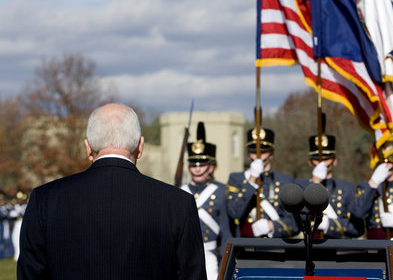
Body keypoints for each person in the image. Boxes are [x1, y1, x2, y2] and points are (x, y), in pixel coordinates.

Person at [17, 103, 207, 280]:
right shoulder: (178, 204)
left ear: (88, 148)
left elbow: (30, 273)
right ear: (140, 147)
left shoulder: (45, 200)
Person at [181, 122, 231, 280]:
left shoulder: (222, 191)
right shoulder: (180, 191)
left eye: (202, 164)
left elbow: (226, 230)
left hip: (210, 255)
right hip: (184, 255)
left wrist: (225, 259)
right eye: (193, 164)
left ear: (211, 167)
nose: (197, 168)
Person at [226, 127, 297, 238]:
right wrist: (252, 180)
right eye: (253, 151)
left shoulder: (285, 181)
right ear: (248, 154)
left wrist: (272, 226)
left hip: (274, 247)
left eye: (264, 151)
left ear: (271, 153)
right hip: (245, 247)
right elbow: (234, 213)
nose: (258, 155)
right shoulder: (236, 179)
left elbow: (294, 224)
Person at [295, 129, 364, 239]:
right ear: (310, 162)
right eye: (316, 159)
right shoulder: (299, 187)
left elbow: (357, 228)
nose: (322, 163)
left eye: (326, 159)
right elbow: (296, 222)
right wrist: (315, 183)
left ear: (334, 161)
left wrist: (329, 225)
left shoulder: (347, 188)